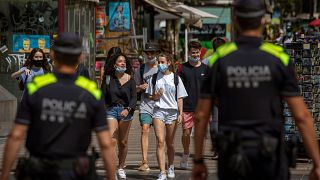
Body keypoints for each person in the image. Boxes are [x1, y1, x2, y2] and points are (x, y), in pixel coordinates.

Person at [192, 0, 320, 180]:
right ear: (263, 21)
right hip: (270, 155)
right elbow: (301, 116)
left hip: (232, 155)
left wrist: (198, 160)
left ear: (235, 20)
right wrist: (317, 163)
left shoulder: (219, 59)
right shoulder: (279, 57)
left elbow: (201, 116)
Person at [0, 33, 116, 180]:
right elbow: (106, 144)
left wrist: (4, 176)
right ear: (80, 57)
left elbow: (16, 135)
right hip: (76, 171)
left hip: (39, 171)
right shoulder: (92, 91)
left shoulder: (36, 86)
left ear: (53, 55)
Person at [146, 53, 188, 180]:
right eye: (158, 62)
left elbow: (180, 97)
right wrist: (156, 96)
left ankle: (170, 166)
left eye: (162, 62)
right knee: (160, 141)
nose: (160, 65)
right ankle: (162, 172)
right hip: (158, 111)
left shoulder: (176, 78)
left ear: (169, 63)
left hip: (172, 112)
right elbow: (150, 96)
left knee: (170, 143)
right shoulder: (154, 78)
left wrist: (180, 113)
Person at [102, 53, 136, 179]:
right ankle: (112, 170)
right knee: (112, 141)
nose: (122, 64)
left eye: (124, 62)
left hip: (126, 111)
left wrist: (128, 109)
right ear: (114, 64)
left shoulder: (131, 79)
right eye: (120, 61)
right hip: (111, 110)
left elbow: (134, 98)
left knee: (123, 142)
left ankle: (121, 167)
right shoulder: (108, 78)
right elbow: (103, 96)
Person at [177, 41, 207, 169]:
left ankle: (199, 157)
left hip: (202, 107)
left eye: (197, 52)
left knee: (201, 134)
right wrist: (179, 109)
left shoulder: (206, 68)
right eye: (193, 52)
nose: (195, 55)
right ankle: (186, 153)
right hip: (187, 107)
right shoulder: (182, 68)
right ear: (188, 53)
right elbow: (178, 89)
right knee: (186, 133)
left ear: (200, 52)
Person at [134, 42, 160, 171]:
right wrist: (139, 87)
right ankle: (144, 161)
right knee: (145, 129)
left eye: (152, 53)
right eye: (147, 53)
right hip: (145, 104)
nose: (149, 55)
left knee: (160, 136)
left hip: (160, 105)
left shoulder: (162, 67)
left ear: (157, 53)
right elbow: (135, 88)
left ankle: (162, 160)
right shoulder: (142, 69)